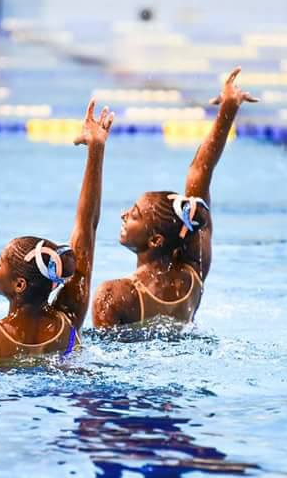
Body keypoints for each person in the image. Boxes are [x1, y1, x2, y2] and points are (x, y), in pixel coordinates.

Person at [92, 66, 257, 328]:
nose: (123, 215)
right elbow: (200, 172)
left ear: (156, 239)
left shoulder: (114, 296)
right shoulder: (193, 276)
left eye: (134, 214)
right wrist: (228, 110)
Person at [0, 100, 114, 362]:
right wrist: (96, 148)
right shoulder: (69, 322)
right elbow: (87, 227)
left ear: (19, 284)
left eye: (1, 262)